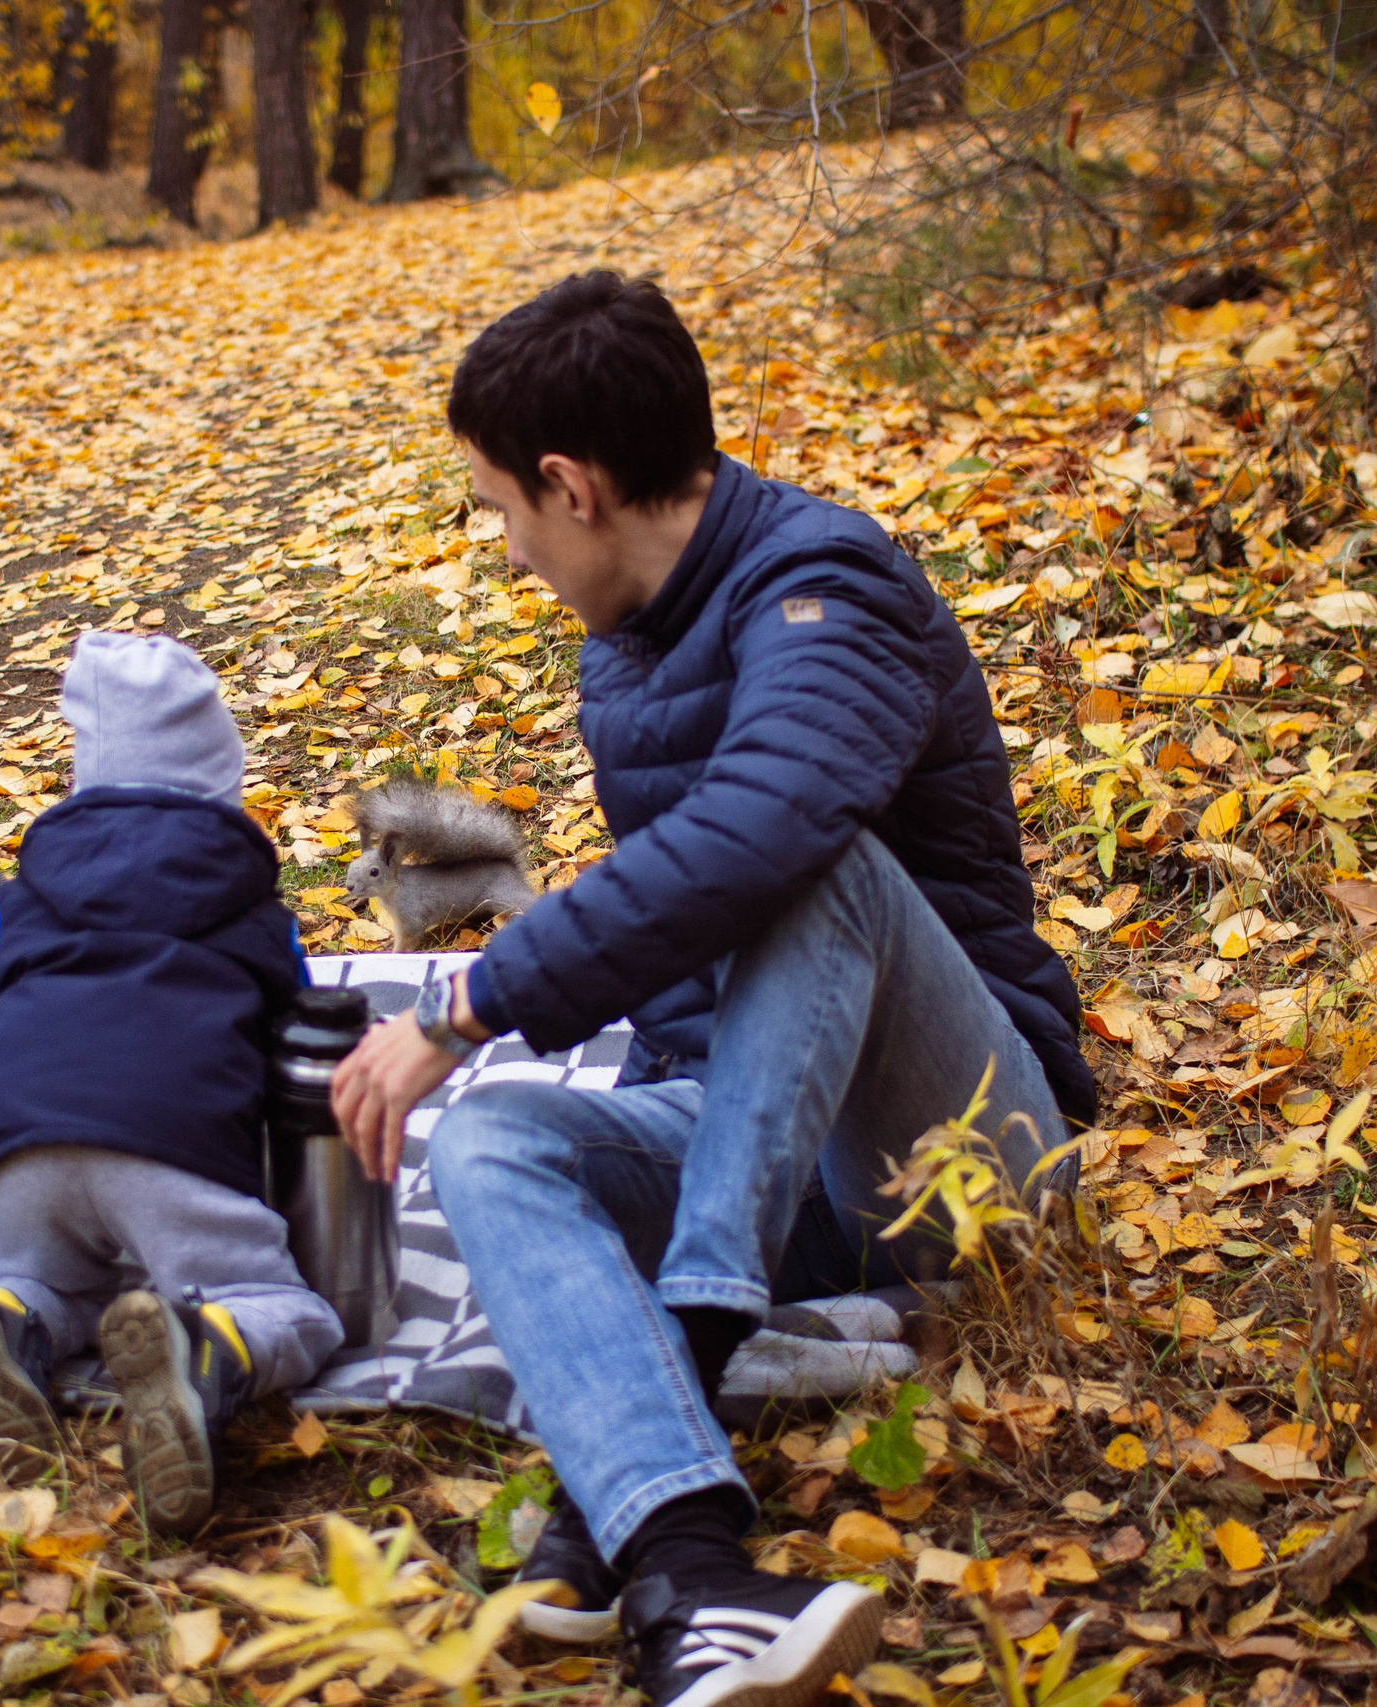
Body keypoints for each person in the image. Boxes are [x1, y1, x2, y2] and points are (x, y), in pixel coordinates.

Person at [329, 272, 1097, 1707]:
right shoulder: (627, 646)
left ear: (572, 484)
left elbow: (763, 836)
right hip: (772, 1169)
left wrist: (462, 1004)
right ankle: (686, 1559)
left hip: (964, 1149)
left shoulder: (833, 587)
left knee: (816, 859)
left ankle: (688, 1343)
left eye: (500, 506)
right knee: (495, 1137)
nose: (505, 549)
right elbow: (688, 947)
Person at [0, 633, 341, 1536]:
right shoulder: (255, 910)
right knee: (294, 1307)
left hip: (14, 1151)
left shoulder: (15, 901)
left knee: (54, 1277)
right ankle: (209, 1343)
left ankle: (8, 1313)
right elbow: (293, 1052)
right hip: (168, 1143)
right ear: (221, 778)